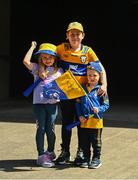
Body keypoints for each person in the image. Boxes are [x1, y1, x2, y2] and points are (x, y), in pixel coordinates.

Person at [55, 21, 108, 165]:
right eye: (72, 34)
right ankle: (65, 152)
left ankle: (81, 152)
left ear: (83, 36)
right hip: (66, 94)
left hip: (82, 95)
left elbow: (100, 67)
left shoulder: (88, 51)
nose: (75, 37)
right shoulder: (61, 48)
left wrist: (104, 84)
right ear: (67, 35)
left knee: (81, 123)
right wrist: (41, 69)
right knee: (67, 122)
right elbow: (46, 57)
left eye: (78, 34)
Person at [23, 41, 63, 167]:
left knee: (50, 129)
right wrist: (32, 47)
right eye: (44, 57)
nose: (47, 60)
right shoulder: (36, 68)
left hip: (52, 104)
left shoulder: (59, 71)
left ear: (55, 58)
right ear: (40, 58)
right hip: (39, 104)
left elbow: (64, 87)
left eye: (50, 57)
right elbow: (25, 61)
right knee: (41, 128)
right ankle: (41, 156)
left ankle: (50, 152)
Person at [75, 62, 109, 169]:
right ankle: (85, 158)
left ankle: (96, 158)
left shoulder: (101, 90)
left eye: (95, 75)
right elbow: (77, 104)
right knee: (85, 142)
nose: (92, 77)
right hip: (84, 122)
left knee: (96, 142)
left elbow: (106, 104)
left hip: (96, 122)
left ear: (99, 76)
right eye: (89, 75)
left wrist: (99, 109)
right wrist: (80, 115)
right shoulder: (82, 89)